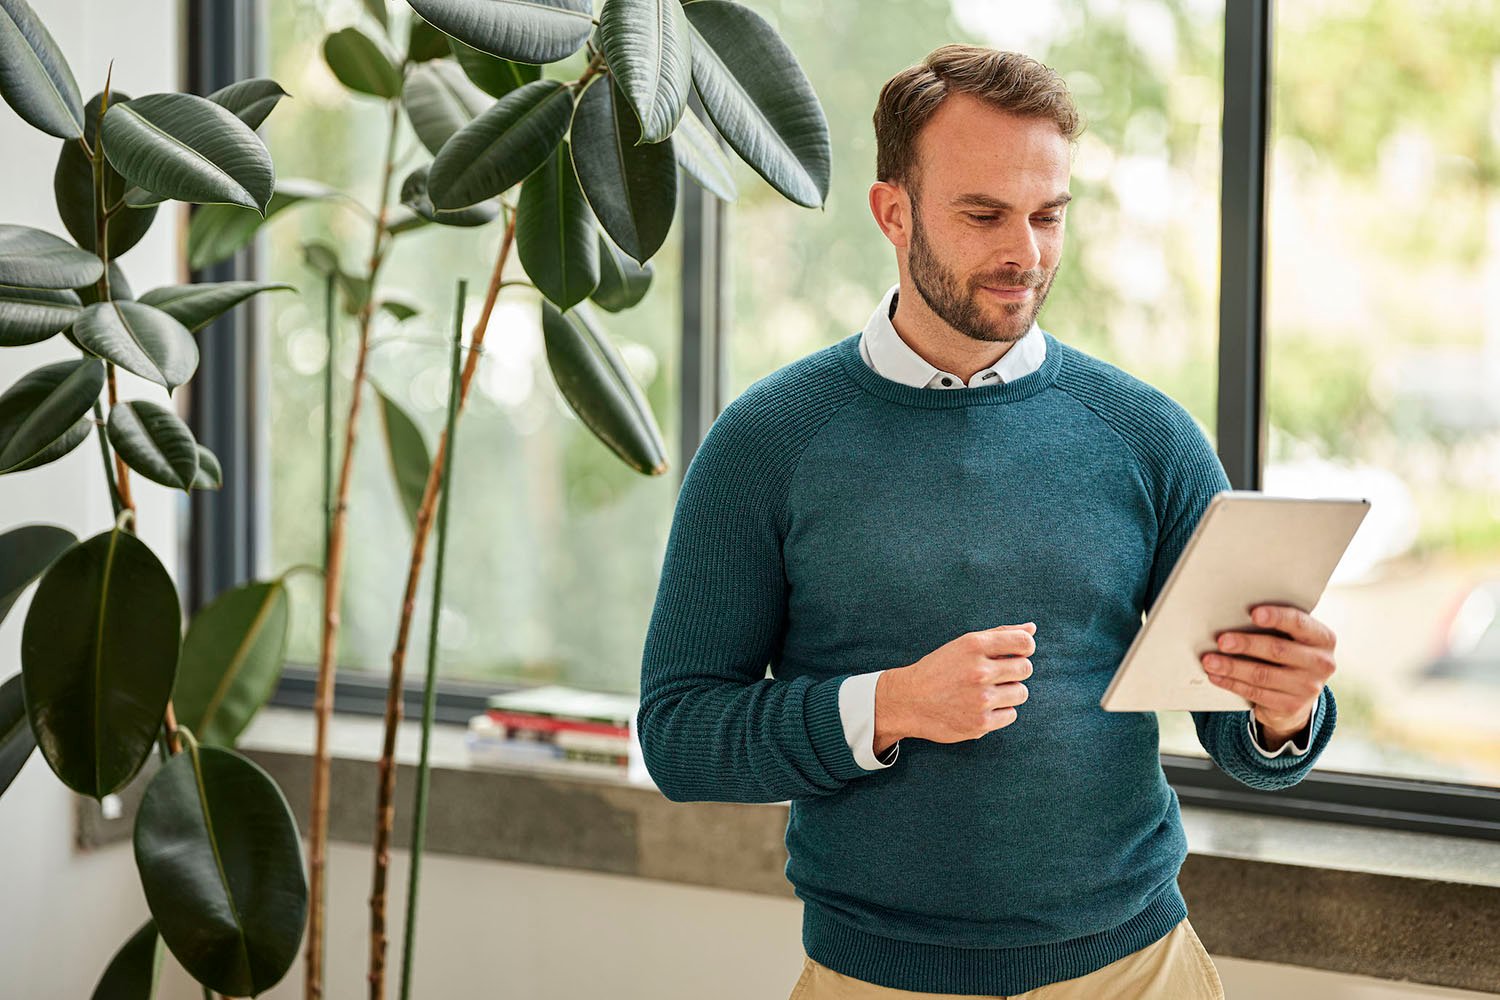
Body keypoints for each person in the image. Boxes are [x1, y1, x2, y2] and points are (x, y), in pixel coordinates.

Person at [637, 44, 1339, 1000]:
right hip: (874, 980)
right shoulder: (768, 441)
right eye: (984, 215)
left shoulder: (1147, 436)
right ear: (893, 211)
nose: (1027, 253)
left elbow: (1245, 746)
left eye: (1048, 216)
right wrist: (889, 707)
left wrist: (1282, 709)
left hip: (1135, 972)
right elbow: (679, 735)